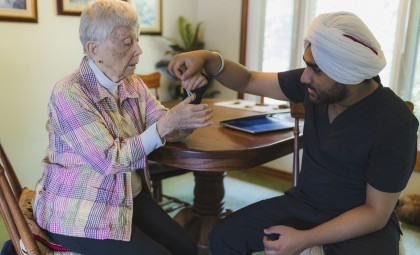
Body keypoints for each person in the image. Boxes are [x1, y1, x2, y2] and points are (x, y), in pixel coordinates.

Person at [168, 11, 419, 255]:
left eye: (315, 69)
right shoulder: (317, 87)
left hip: (360, 223)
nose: (305, 77)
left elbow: (376, 213)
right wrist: (209, 58)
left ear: (347, 73)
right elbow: (247, 80)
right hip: (305, 205)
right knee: (224, 235)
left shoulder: (396, 123)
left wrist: (306, 239)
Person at [32, 1, 213, 255]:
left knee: (186, 247)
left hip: (128, 195)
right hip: (79, 210)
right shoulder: (69, 92)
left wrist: (192, 99)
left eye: (136, 40)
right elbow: (109, 160)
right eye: (127, 42)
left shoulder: (133, 84)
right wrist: (165, 125)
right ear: (94, 49)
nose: (138, 50)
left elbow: (170, 129)